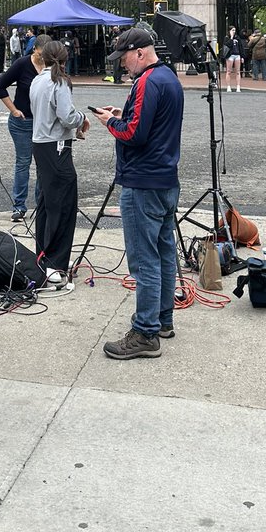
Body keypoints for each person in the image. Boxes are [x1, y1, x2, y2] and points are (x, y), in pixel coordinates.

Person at [91, 26, 184, 360]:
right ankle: (162, 321)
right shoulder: (170, 78)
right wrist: (123, 113)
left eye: (125, 57)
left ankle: (145, 332)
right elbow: (150, 124)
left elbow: (134, 133)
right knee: (162, 252)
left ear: (141, 53)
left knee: (144, 260)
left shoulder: (147, 81)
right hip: (165, 179)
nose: (122, 65)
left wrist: (109, 123)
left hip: (142, 182)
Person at [28, 39, 88, 286]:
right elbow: (66, 116)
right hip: (57, 146)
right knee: (63, 205)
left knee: (46, 203)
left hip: (40, 143)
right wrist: (82, 118)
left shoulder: (37, 80)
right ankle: (56, 263)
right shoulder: (59, 82)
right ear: (64, 59)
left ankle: (42, 256)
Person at [0, 34, 51, 220]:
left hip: (42, 122)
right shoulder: (22, 64)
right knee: (23, 162)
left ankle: (41, 204)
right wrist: (13, 110)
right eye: (41, 54)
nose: (44, 58)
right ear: (34, 49)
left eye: (47, 55)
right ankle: (19, 206)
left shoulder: (51, 66)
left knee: (43, 164)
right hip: (23, 122)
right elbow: (0, 86)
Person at [221, 27, 243, 92]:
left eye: (235, 30)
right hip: (230, 55)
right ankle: (228, 86)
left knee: (238, 72)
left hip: (237, 55)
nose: (234, 31)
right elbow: (227, 45)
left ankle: (238, 87)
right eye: (232, 30)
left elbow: (240, 47)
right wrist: (231, 37)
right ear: (229, 31)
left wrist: (242, 56)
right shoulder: (226, 38)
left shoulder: (237, 38)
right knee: (229, 71)